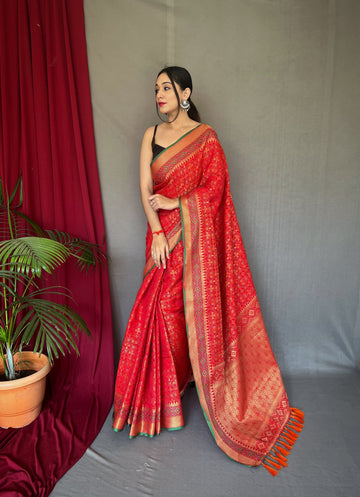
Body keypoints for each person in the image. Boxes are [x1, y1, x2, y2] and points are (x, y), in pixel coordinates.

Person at [113, 66, 303, 475]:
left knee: (184, 314)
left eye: (167, 87)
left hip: (193, 241)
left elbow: (215, 190)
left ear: (185, 93)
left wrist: (176, 206)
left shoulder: (206, 138)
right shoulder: (150, 136)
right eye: (156, 88)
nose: (159, 94)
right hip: (160, 240)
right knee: (161, 310)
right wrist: (158, 232)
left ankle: (186, 385)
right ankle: (161, 399)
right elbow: (145, 190)